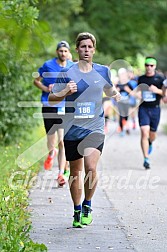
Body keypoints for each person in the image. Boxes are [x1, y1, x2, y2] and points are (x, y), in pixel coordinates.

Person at [49, 32, 121, 228]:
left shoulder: (103, 71)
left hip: (95, 127)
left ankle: (88, 204)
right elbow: (51, 98)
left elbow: (108, 89)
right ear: (77, 49)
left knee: (90, 167)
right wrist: (65, 92)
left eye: (89, 47)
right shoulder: (67, 73)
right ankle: (77, 209)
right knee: (75, 172)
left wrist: (115, 94)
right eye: (83, 47)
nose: (86, 50)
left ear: (94, 49)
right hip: (72, 128)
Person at [33, 40, 73, 186]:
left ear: (68, 52)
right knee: (51, 140)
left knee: (62, 140)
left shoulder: (72, 66)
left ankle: (61, 173)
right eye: (60, 51)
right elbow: (36, 80)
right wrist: (45, 88)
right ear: (57, 52)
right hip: (49, 105)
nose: (63, 53)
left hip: (64, 106)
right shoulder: (47, 65)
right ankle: (51, 153)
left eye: (65, 51)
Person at [137, 56, 165, 169]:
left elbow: (165, 94)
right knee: (144, 132)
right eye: (147, 65)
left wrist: (157, 90)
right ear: (144, 66)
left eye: (151, 65)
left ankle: (150, 142)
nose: (149, 67)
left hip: (155, 109)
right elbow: (138, 91)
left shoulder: (160, 78)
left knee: (152, 135)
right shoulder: (141, 78)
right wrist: (138, 94)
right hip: (143, 108)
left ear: (155, 66)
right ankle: (146, 159)